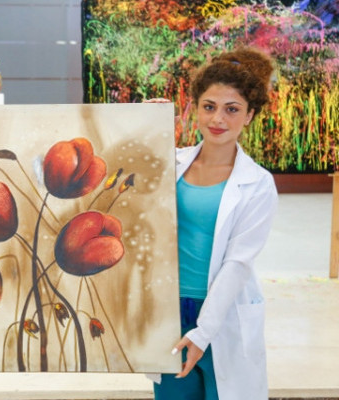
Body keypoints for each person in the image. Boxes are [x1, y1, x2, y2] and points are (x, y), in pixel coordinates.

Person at [150, 47, 278, 399]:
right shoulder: (170, 163)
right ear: (196, 108)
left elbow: (238, 263)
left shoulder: (258, 183)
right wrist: (144, 125)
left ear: (249, 115)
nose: (217, 119)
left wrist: (203, 331)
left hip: (223, 313)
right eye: (209, 107)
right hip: (170, 310)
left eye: (231, 109)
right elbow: (123, 179)